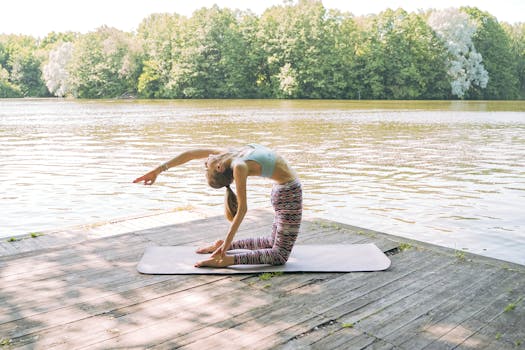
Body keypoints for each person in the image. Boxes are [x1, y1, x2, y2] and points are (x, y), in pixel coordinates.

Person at [133, 144, 303, 268]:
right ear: (220, 167)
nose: (205, 163)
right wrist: (224, 252)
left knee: (271, 242)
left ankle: (224, 246)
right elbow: (242, 209)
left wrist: (158, 170)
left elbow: (190, 153)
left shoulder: (228, 154)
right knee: (279, 255)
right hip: (289, 193)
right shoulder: (238, 165)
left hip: (283, 191)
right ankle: (228, 259)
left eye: (206, 166)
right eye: (207, 167)